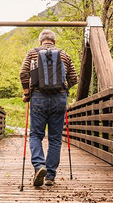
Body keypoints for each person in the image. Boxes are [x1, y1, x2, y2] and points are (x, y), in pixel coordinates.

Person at [19, 29, 78, 187]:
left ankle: (39, 166)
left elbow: (24, 73)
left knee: (36, 135)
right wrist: (65, 88)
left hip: (38, 97)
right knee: (55, 138)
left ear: (40, 42)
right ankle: (50, 176)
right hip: (59, 99)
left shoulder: (33, 53)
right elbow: (74, 77)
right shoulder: (64, 54)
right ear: (54, 41)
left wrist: (27, 93)